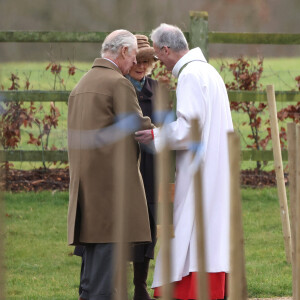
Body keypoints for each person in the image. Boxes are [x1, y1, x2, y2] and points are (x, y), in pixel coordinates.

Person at [135, 23, 233, 300]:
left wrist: (155, 134)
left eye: (157, 55)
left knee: (193, 231)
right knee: (207, 232)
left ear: (166, 50)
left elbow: (190, 128)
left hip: (200, 168)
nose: (158, 62)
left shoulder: (190, 75)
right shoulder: (210, 72)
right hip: (215, 166)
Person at [68, 29, 155, 300]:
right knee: (107, 276)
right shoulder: (118, 83)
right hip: (111, 190)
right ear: (124, 52)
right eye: (133, 57)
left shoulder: (80, 85)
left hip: (86, 188)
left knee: (91, 273)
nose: (134, 64)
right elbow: (139, 127)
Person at [126, 35, 158, 300]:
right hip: (123, 162)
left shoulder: (157, 89)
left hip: (150, 164)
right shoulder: (117, 86)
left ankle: (140, 285)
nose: (141, 66)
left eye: (146, 61)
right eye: (137, 60)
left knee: (148, 225)